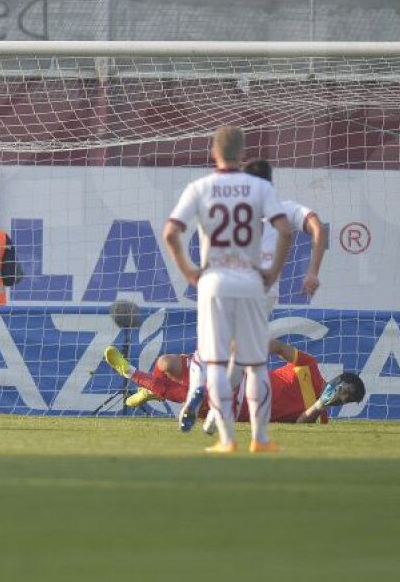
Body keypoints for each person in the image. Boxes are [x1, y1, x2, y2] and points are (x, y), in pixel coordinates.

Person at [163, 126, 292, 454]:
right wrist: (272, 271)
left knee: (216, 363)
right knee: (255, 364)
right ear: (242, 154)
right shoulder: (259, 187)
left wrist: (189, 271)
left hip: (214, 282)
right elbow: (285, 230)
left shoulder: (200, 187)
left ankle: (227, 439)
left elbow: (171, 232)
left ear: (213, 152)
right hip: (250, 281)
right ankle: (260, 439)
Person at [177, 157, 327, 431]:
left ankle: (197, 393)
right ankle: (217, 412)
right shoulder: (285, 210)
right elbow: (317, 227)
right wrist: (313, 271)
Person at [104, 340, 366, 425]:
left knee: (196, 396)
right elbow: (278, 348)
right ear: (338, 380)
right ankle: (153, 388)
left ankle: (131, 373)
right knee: (166, 363)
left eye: (346, 398)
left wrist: (320, 405)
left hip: (241, 409)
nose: (341, 397)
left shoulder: (320, 416)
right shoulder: (309, 367)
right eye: (344, 390)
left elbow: (298, 423)